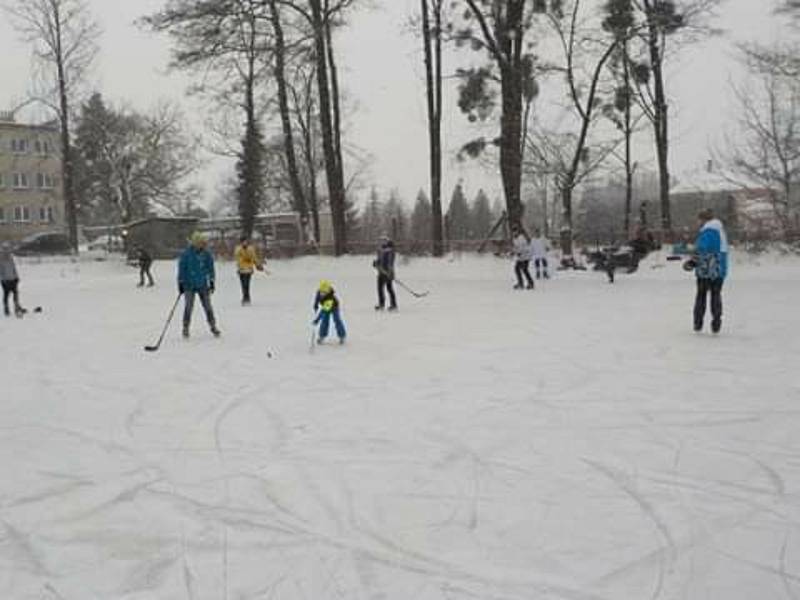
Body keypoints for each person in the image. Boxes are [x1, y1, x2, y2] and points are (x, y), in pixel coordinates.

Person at [177, 232, 220, 338]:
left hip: (202, 284)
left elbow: (210, 268)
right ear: (196, 243)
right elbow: (181, 269)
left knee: (208, 306)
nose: (204, 245)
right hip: (189, 285)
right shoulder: (186, 254)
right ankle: (185, 327)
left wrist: (212, 281)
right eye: (202, 243)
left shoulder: (206, 254)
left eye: (204, 243)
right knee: (188, 307)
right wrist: (180, 283)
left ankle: (213, 325)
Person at [693, 208, 729, 334]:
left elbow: (702, 249)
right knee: (716, 295)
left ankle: (698, 322)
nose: (697, 222)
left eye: (698, 220)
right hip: (720, 268)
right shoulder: (720, 231)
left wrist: (693, 259)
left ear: (703, 220)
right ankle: (716, 321)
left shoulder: (707, 231)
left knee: (701, 295)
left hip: (706, 268)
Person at [313, 280, 346, 344]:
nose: (322, 294)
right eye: (322, 292)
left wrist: (317, 320)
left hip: (334, 307)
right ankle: (322, 336)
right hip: (325, 306)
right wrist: (315, 305)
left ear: (328, 292)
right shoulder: (318, 293)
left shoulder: (330, 298)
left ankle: (342, 336)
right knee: (325, 321)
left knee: (337, 320)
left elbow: (323, 312)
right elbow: (317, 299)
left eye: (324, 292)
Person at [234, 235, 263, 305]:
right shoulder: (238, 249)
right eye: (243, 242)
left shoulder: (251, 249)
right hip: (241, 269)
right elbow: (238, 259)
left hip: (248, 269)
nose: (244, 243)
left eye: (245, 241)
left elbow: (254, 257)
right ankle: (245, 297)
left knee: (247, 284)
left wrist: (258, 265)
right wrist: (246, 260)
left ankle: (247, 298)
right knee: (243, 284)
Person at [373, 235, 397, 311]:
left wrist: (390, 273)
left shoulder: (390, 251)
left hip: (387, 273)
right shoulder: (381, 250)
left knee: (389, 289)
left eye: (384, 241)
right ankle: (381, 304)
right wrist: (376, 263)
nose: (382, 242)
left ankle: (393, 305)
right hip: (381, 272)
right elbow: (379, 260)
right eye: (381, 241)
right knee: (380, 288)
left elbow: (390, 263)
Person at [0, 242, 24, 317]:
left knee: (15, 293)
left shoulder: (11, 258)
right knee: (6, 294)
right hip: (5, 280)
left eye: (8, 249)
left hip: (13, 279)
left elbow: (14, 268)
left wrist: (16, 276)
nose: (7, 251)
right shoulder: (1, 259)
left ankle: (16, 306)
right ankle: (6, 308)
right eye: (5, 249)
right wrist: (3, 280)